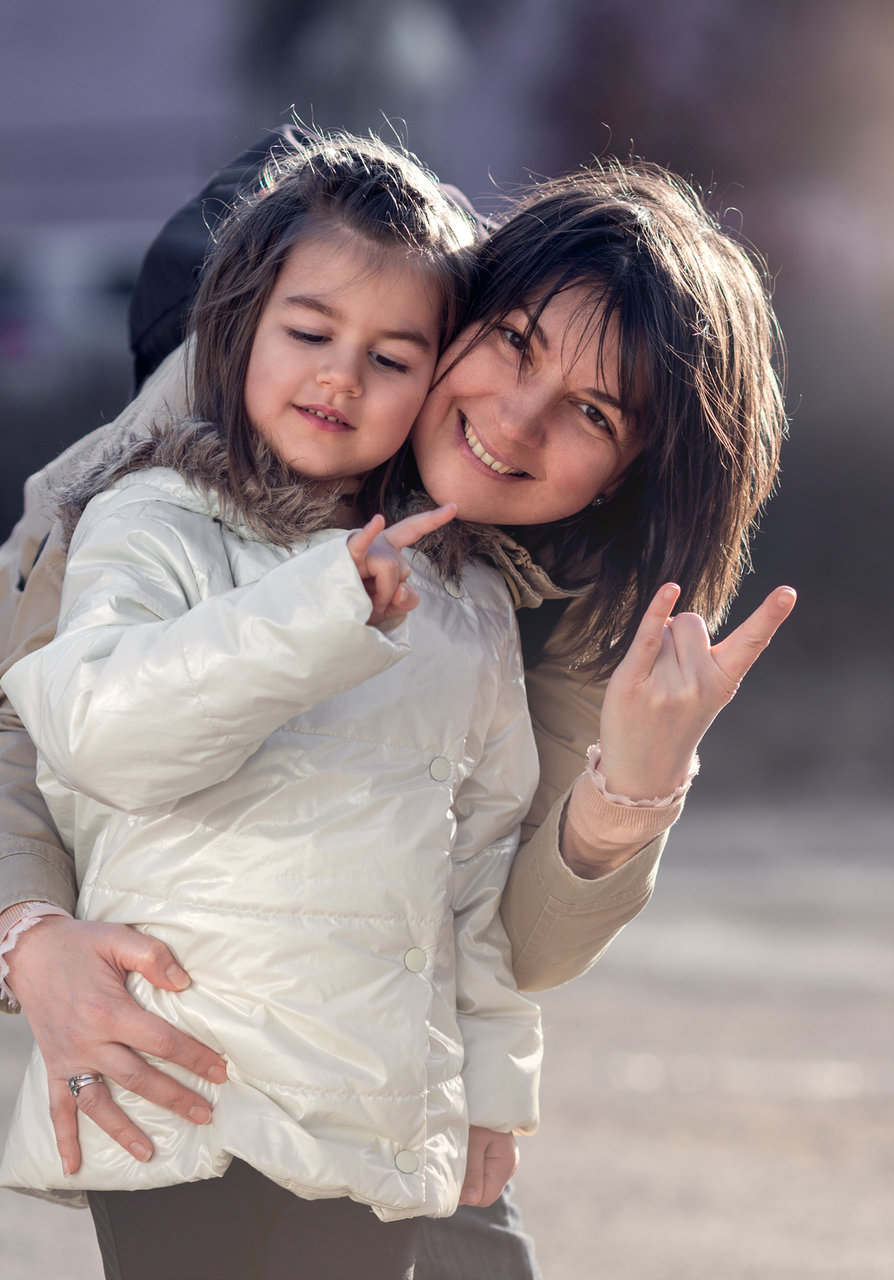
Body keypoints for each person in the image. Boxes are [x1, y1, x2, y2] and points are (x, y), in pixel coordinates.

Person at [0, 125, 796, 1280]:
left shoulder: (567, 593)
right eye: (512, 344)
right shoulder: (191, 453)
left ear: (632, 471)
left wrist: (633, 787)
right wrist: (28, 936)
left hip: (375, 1063)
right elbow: (40, 712)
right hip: (194, 1055)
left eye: (594, 412)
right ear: (469, 307)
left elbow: (491, 902)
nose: (516, 418)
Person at [1, 130, 546, 1280]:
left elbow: (479, 865)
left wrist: (494, 1087)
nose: (341, 376)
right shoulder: (149, 518)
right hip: (174, 1076)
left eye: (391, 356)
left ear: (438, 380)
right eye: (309, 332)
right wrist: (321, 609)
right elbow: (103, 735)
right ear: (239, 327)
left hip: (367, 1099)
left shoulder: (466, 602)